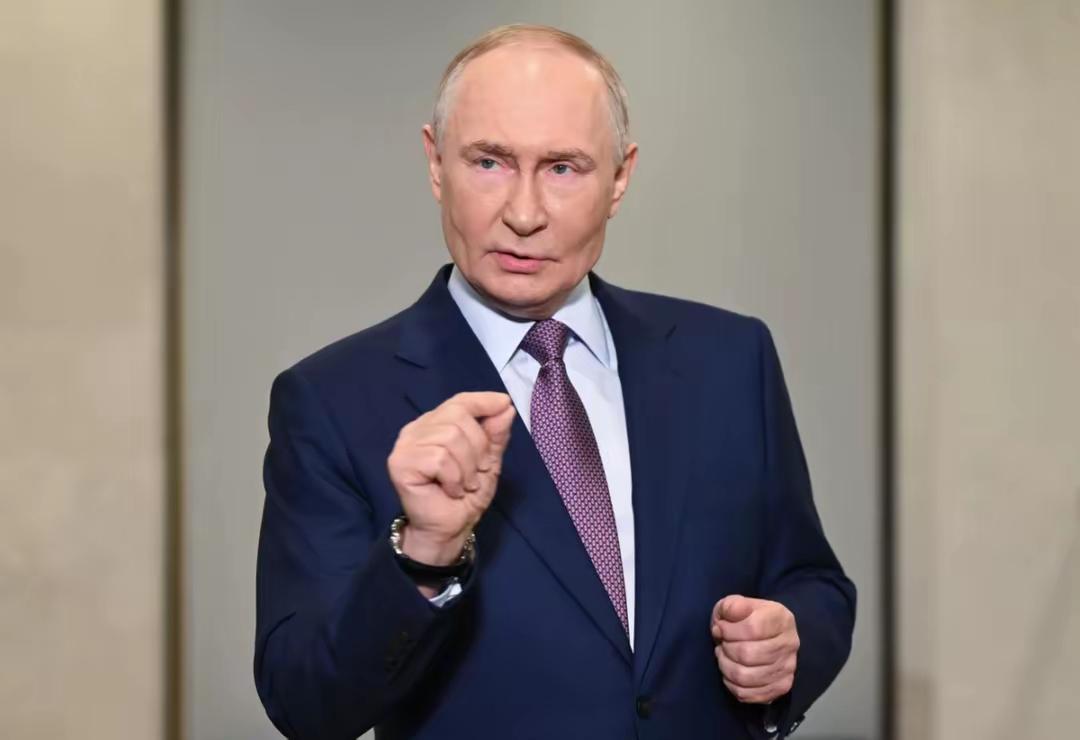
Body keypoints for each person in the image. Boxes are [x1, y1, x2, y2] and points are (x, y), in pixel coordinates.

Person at [255, 23, 855, 740]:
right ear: (436, 163)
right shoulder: (332, 401)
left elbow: (813, 582)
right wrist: (421, 556)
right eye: (489, 162)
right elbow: (305, 703)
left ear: (620, 178)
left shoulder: (729, 359)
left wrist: (788, 645)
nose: (524, 213)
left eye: (564, 168)